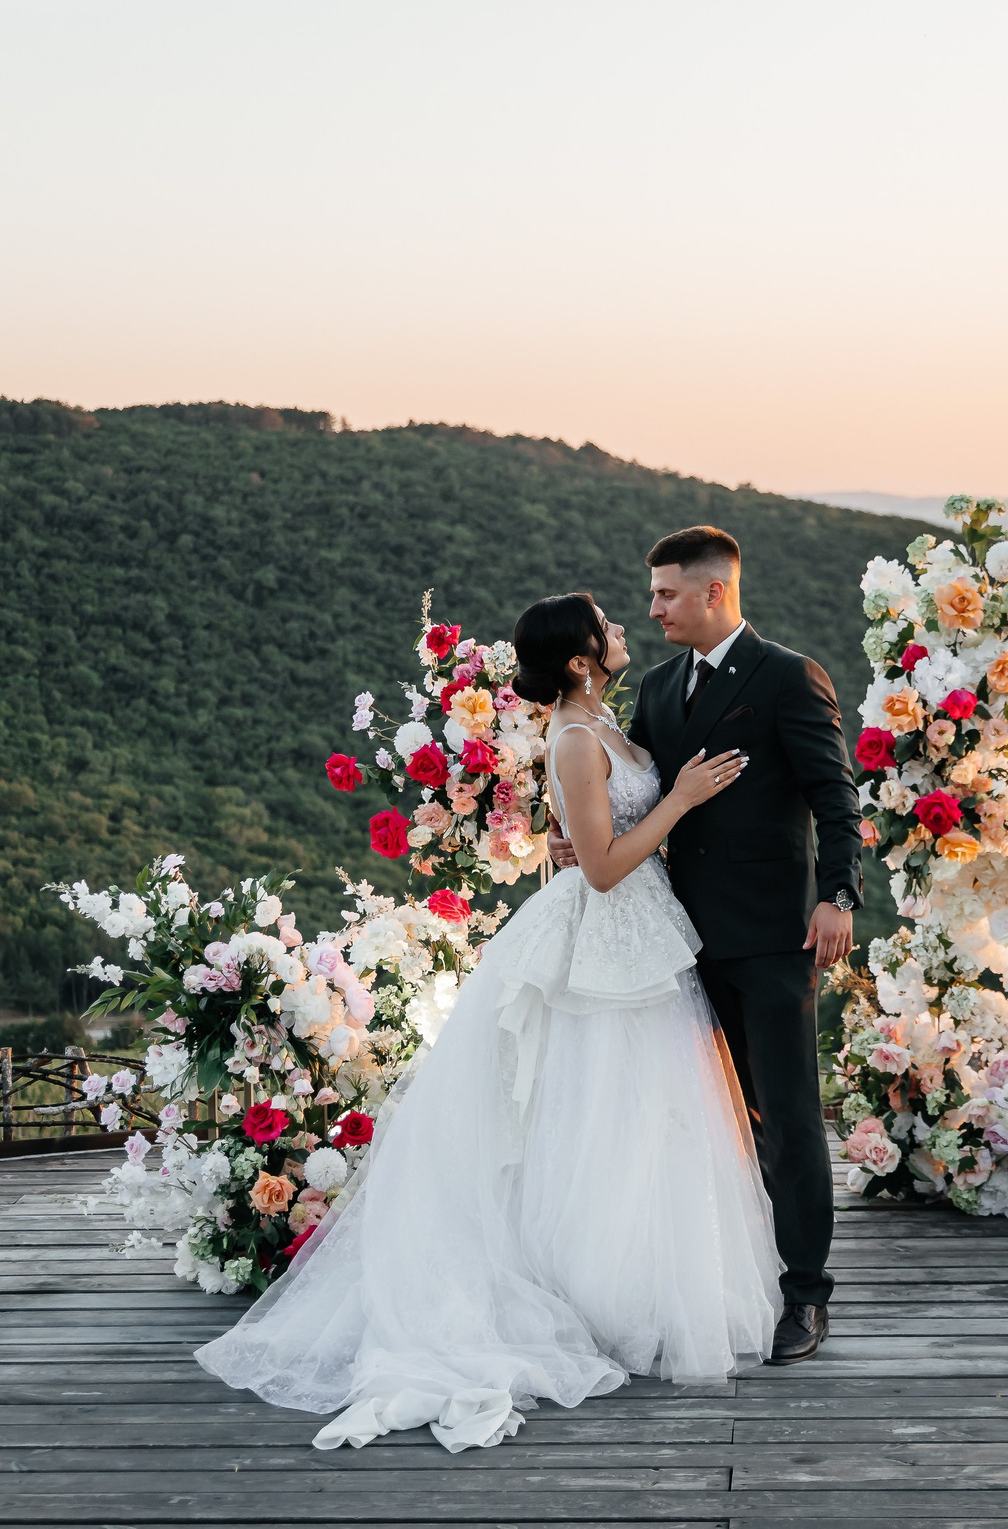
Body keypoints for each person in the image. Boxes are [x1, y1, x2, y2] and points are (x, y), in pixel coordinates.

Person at [194, 592, 781, 1451]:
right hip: (604, 938)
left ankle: (644, 1288)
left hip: (642, 945)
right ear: (581, 658)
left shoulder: (606, 724)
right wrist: (682, 798)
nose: (623, 630)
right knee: (592, 1117)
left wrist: (588, 825)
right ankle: (591, 1295)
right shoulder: (576, 739)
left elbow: (584, 838)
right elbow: (608, 867)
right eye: (607, 626)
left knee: (645, 1122)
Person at [551, 524, 861, 1364]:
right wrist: (573, 841)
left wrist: (837, 896)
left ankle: (804, 1295)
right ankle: (729, 1279)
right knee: (701, 1122)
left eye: (665, 594)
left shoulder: (789, 676)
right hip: (674, 947)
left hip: (771, 938)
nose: (651, 609)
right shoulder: (655, 686)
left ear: (714, 592)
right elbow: (634, 791)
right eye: (651, 596)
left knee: (789, 1117)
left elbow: (837, 799)